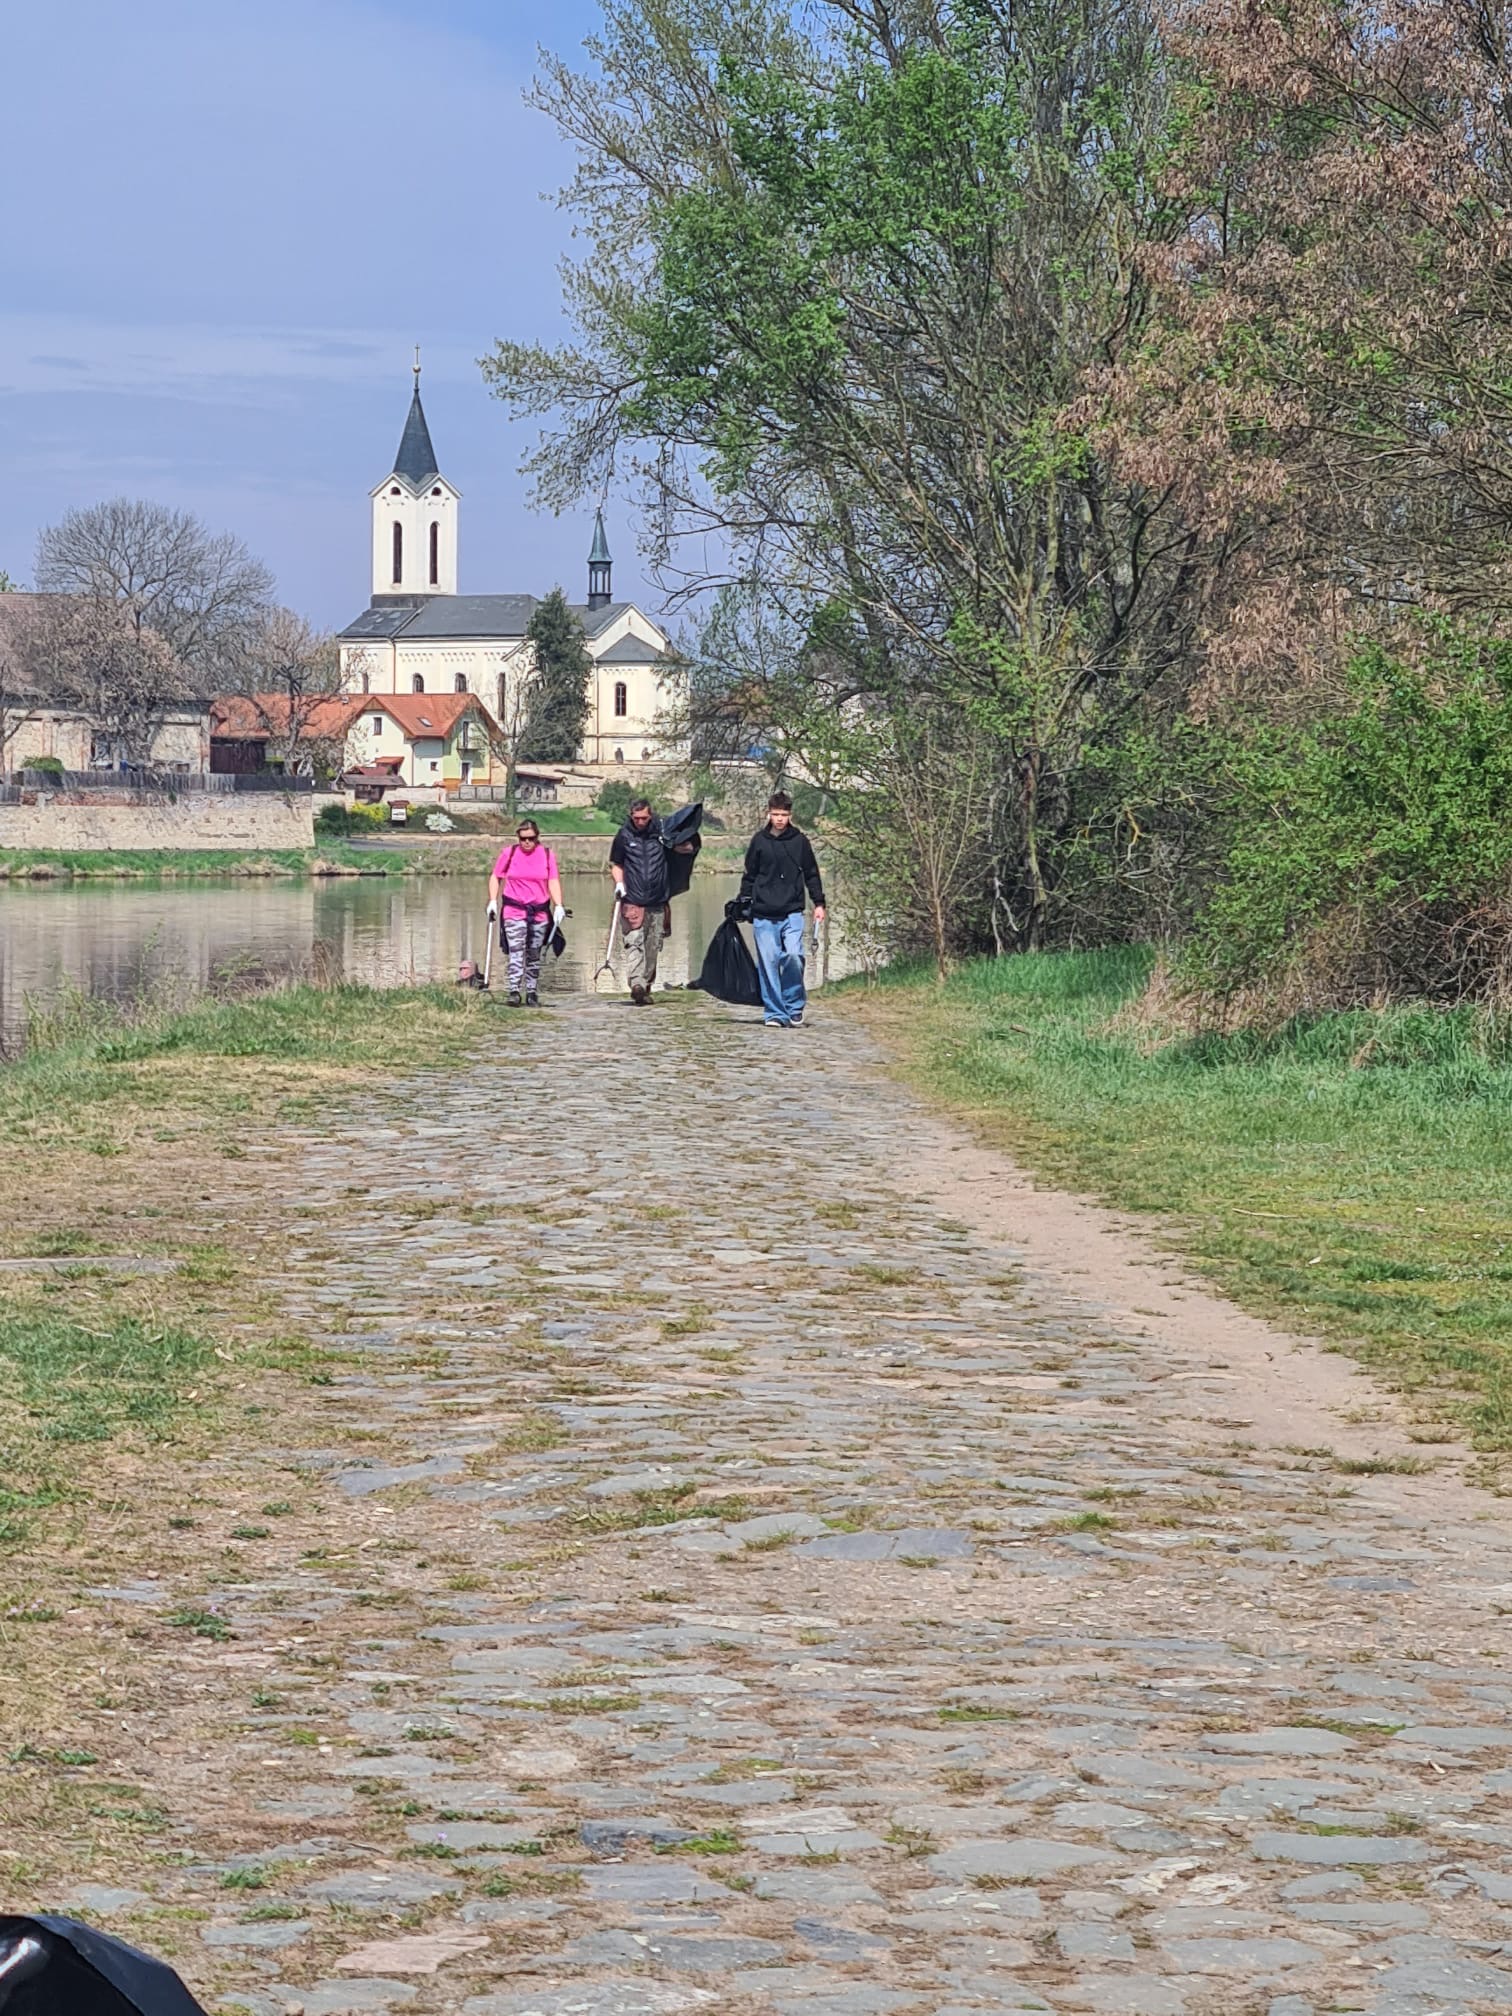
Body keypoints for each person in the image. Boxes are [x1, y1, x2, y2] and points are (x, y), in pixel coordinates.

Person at [739, 790, 826, 1027]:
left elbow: (811, 874)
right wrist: (744, 901)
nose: (779, 819)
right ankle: (775, 1013)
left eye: (783, 815)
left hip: (792, 911)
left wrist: (819, 903)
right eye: (775, 814)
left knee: (793, 957)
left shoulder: (800, 842)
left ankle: (794, 1005)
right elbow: (750, 875)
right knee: (768, 964)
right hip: (764, 913)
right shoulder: (759, 841)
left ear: (790, 815)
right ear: (768, 814)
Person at [488, 819, 565, 1007]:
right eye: (523, 839)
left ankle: (531, 991)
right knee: (515, 952)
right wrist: (492, 900)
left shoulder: (547, 855)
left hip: (539, 912)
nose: (527, 842)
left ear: (537, 837)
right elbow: (496, 876)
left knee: (534, 954)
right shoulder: (509, 853)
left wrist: (559, 904)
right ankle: (514, 990)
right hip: (514, 910)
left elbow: (553, 880)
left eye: (530, 838)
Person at [608, 797, 673, 1005]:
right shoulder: (624, 835)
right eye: (636, 818)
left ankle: (645, 986)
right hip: (633, 900)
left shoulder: (661, 833)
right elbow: (616, 864)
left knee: (652, 947)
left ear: (650, 815)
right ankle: (636, 984)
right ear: (631, 816)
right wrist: (619, 883)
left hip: (657, 901)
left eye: (644, 818)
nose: (640, 822)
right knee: (634, 943)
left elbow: (678, 853)